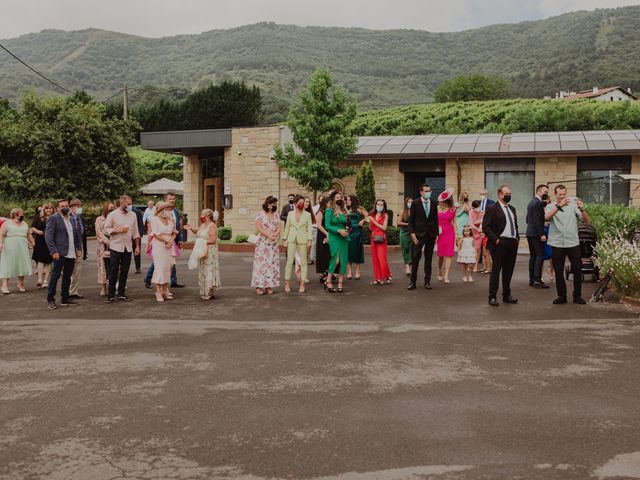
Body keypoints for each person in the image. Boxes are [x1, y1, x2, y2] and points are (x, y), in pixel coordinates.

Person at [545, 185, 589, 305]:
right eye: (560, 194)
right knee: (558, 271)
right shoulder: (550, 206)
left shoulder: (573, 205)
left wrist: (582, 209)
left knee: (577, 269)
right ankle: (561, 296)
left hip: (572, 242)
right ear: (555, 194)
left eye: (564, 194)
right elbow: (546, 218)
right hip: (557, 242)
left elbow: (586, 220)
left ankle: (577, 296)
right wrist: (559, 207)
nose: (562, 196)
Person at [482, 185, 519, 307]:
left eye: (510, 193)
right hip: (500, 243)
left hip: (512, 243)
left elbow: (515, 224)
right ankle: (492, 296)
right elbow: (486, 227)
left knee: (508, 270)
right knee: (496, 270)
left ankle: (507, 295)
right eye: (506, 193)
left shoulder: (512, 209)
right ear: (500, 194)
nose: (509, 195)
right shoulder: (492, 208)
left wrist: (517, 237)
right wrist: (496, 240)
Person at [45, 199, 83, 309]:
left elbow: (76, 235)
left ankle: (65, 298)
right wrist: (54, 251)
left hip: (71, 252)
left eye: (66, 205)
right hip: (59, 253)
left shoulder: (71, 219)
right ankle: (51, 300)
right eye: (62, 206)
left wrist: (78, 248)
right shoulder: (54, 218)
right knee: (55, 276)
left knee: (67, 276)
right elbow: (48, 236)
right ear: (58, 208)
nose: (65, 207)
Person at [104, 194, 141, 303]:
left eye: (131, 204)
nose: (130, 206)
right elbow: (106, 230)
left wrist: (137, 246)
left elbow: (136, 232)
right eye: (128, 204)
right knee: (113, 271)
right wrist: (117, 230)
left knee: (125, 271)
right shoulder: (112, 215)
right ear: (121, 203)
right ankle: (110, 295)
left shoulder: (133, 215)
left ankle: (121, 294)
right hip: (116, 246)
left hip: (128, 247)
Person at [144, 193, 184, 289]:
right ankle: (149, 278)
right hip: (160, 242)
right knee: (160, 263)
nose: (172, 200)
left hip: (171, 240)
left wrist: (179, 239)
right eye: (170, 198)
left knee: (171, 263)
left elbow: (177, 227)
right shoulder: (157, 216)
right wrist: (148, 244)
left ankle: (172, 281)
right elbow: (152, 232)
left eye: (174, 198)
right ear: (166, 199)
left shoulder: (176, 212)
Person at [408, 183, 439, 290]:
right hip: (418, 235)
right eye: (426, 191)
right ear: (421, 192)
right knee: (415, 258)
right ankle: (412, 282)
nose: (428, 193)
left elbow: (435, 220)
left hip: (430, 235)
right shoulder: (415, 203)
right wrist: (412, 234)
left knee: (428, 259)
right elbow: (411, 220)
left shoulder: (434, 203)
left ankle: (427, 281)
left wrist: (436, 234)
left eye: (429, 191)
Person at [185, 209, 221, 300]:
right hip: (202, 250)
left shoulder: (212, 225)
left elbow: (213, 240)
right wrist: (191, 228)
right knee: (203, 270)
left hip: (210, 250)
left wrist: (201, 242)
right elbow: (197, 231)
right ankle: (204, 290)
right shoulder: (203, 225)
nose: (201, 216)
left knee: (209, 269)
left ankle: (209, 291)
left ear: (208, 215)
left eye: (202, 214)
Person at [282, 195, 313, 294]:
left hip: (303, 239)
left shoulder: (307, 214)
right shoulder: (290, 214)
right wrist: (284, 238)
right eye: (300, 202)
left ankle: (302, 284)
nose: (302, 204)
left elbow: (309, 228)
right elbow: (287, 227)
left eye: (303, 202)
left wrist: (309, 240)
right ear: (295, 203)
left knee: (303, 262)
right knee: (289, 262)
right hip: (291, 239)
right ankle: (287, 283)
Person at [251, 196, 282, 295]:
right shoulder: (260, 214)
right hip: (263, 242)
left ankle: (269, 285)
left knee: (271, 264)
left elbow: (279, 226)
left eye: (276, 204)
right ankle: (259, 286)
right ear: (268, 205)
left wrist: (276, 234)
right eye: (274, 204)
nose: (275, 206)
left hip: (273, 243)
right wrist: (268, 235)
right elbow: (259, 227)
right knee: (261, 263)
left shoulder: (276, 215)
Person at [148, 201, 177, 302]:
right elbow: (155, 234)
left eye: (170, 210)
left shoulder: (170, 220)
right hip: (159, 246)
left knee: (168, 268)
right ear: (162, 211)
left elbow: (174, 232)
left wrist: (171, 241)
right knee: (160, 268)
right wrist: (166, 241)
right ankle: (158, 291)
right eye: (168, 210)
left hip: (169, 245)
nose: (170, 212)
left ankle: (165, 289)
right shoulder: (154, 219)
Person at [0, 208, 34, 294]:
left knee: (21, 264)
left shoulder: (24, 223)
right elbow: (1, 234)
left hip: (22, 246)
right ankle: (4, 286)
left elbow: (28, 234)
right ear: (15, 214)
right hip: (9, 246)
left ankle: (21, 284)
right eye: (21, 213)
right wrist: (0, 243)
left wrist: (33, 242)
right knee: (7, 264)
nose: (22, 215)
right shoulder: (6, 223)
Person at [526, 184, 551, 289]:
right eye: (545, 192)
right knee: (540, 255)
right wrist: (541, 234)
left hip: (529, 232)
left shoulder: (531, 202)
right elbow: (537, 220)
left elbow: (528, 219)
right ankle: (537, 280)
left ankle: (532, 279)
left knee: (533, 256)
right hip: (536, 234)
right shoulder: (538, 203)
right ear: (539, 191)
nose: (546, 194)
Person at [325, 191, 349, 293]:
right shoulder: (329, 210)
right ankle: (328, 280)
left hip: (344, 237)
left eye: (341, 197)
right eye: (337, 197)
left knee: (343, 259)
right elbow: (327, 225)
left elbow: (347, 224)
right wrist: (339, 230)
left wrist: (347, 229)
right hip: (334, 236)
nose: (339, 199)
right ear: (333, 199)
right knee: (336, 259)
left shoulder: (344, 211)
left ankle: (340, 282)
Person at [367, 199, 391, 285]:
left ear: (384, 206)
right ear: (375, 205)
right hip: (373, 237)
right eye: (378, 204)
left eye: (381, 205)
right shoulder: (372, 214)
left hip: (381, 238)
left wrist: (373, 221)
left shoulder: (385, 215)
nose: (380, 206)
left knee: (382, 258)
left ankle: (383, 276)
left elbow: (384, 228)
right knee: (375, 259)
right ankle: (378, 277)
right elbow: (370, 227)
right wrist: (367, 221)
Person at [30, 203, 54, 288]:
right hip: (40, 241)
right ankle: (40, 279)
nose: (48, 210)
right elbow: (32, 228)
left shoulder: (55, 218)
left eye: (50, 208)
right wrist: (38, 231)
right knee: (40, 260)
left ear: (52, 209)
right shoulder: (38, 217)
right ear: (44, 210)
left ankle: (46, 280)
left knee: (49, 261)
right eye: (47, 209)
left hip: (51, 242)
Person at [436, 190, 458, 284]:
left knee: (449, 254)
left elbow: (454, 223)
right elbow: (433, 222)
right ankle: (439, 270)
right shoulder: (437, 208)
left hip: (449, 232)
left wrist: (457, 234)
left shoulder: (452, 209)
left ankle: (446, 275)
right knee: (440, 255)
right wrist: (435, 233)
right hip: (439, 233)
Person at [68, 199, 87, 299]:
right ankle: (67, 290)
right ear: (71, 207)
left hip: (80, 246)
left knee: (78, 269)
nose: (80, 208)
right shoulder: (67, 218)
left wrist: (84, 250)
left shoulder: (80, 218)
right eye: (77, 206)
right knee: (68, 269)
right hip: (70, 247)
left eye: (80, 206)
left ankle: (73, 291)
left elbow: (83, 235)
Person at [96, 202, 115, 296]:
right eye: (110, 207)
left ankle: (114, 286)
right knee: (103, 268)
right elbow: (98, 232)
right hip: (103, 247)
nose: (112, 209)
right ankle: (103, 288)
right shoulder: (99, 219)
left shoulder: (115, 217)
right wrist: (107, 241)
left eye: (113, 207)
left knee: (114, 267)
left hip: (115, 245)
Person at [346, 195, 365, 280]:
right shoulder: (346, 209)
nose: (347, 201)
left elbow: (369, 216)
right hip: (349, 232)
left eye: (349, 200)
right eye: (347, 200)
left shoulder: (359, 208)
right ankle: (349, 271)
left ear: (353, 200)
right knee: (348, 251)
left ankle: (358, 271)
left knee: (357, 251)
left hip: (358, 232)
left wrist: (363, 220)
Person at [314, 196, 332, 285]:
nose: (330, 205)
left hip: (330, 234)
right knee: (322, 254)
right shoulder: (320, 212)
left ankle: (328, 272)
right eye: (329, 203)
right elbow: (319, 225)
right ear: (325, 203)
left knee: (329, 254)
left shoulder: (329, 212)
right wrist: (326, 233)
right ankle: (322, 274)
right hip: (322, 235)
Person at [397, 197, 413, 277]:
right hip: (404, 232)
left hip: (412, 232)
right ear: (406, 203)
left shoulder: (414, 211)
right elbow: (398, 222)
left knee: (412, 249)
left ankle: (410, 264)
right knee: (405, 249)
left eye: (411, 202)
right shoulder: (402, 211)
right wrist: (407, 224)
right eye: (409, 202)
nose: (410, 203)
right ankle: (407, 266)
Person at [469, 200, 484, 273]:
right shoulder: (471, 212)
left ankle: (476, 266)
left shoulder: (482, 212)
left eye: (479, 207)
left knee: (478, 250)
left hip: (480, 233)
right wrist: (477, 228)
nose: (478, 208)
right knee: (472, 250)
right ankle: (470, 264)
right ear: (473, 207)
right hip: (473, 232)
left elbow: (483, 222)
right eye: (476, 207)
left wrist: (479, 224)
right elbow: (472, 224)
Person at [309, 195, 323, 265]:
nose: (321, 201)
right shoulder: (314, 208)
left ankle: (320, 258)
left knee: (321, 244)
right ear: (318, 200)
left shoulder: (325, 208)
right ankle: (311, 259)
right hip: (315, 228)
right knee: (314, 244)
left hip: (322, 229)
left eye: (322, 200)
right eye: (320, 199)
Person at [132, 203, 145, 274]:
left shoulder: (136, 211)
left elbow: (140, 223)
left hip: (136, 235)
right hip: (127, 235)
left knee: (137, 251)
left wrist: (140, 234)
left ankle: (138, 267)